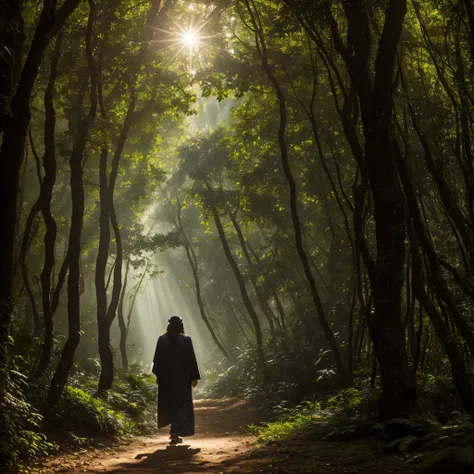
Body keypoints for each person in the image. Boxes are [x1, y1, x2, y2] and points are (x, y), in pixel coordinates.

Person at [152, 316, 201, 444]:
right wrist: (194, 377)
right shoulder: (186, 340)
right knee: (182, 405)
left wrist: (159, 376)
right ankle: (175, 432)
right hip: (182, 379)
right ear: (181, 326)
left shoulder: (162, 340)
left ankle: (174, 433)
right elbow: (191, 360)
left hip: (166, 379)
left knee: (170, 404)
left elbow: (157, 360)